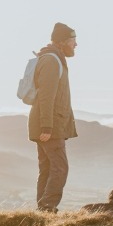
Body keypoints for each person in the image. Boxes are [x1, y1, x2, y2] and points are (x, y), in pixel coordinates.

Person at [28, 22, 78, 212]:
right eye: (73, 40)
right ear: (62, 41)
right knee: (60, 168)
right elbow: (46, 97)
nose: (76, 45)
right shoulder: (51, 61)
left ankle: (43, 210)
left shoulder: (54, 59)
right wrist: (47, 127)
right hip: (49, 126)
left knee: (48, 169)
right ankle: (48, 208)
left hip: (50, 125)